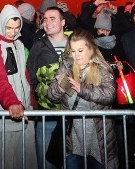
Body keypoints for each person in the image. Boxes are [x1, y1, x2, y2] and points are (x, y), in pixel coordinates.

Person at [47, 29, 117, 169]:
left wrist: (82, 89)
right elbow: (52, 96)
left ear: (90, 49)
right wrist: (61, 86)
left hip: (98, 137)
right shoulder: (67, 66)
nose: (76, 56)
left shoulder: (101, 68)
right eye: (72, 51)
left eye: (80, 51)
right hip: (73, 138)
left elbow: (109, 94)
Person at [0, 5, 37, 169]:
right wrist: (12, 103)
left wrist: (32, 105)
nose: (12, 32)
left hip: (25, 115)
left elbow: (26, 77)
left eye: (16, 28)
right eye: (8, 28)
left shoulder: (19, 45)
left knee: (24, 162)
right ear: (0, 24)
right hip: (4, 117)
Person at [27, 6, 71, 169]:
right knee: (46, 163)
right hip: (47, 115)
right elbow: (31, 78)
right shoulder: (38, 46)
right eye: (45, 19)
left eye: (53, 18)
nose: (48, 22)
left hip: (74, 117)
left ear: (63, 22)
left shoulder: (76, 44)